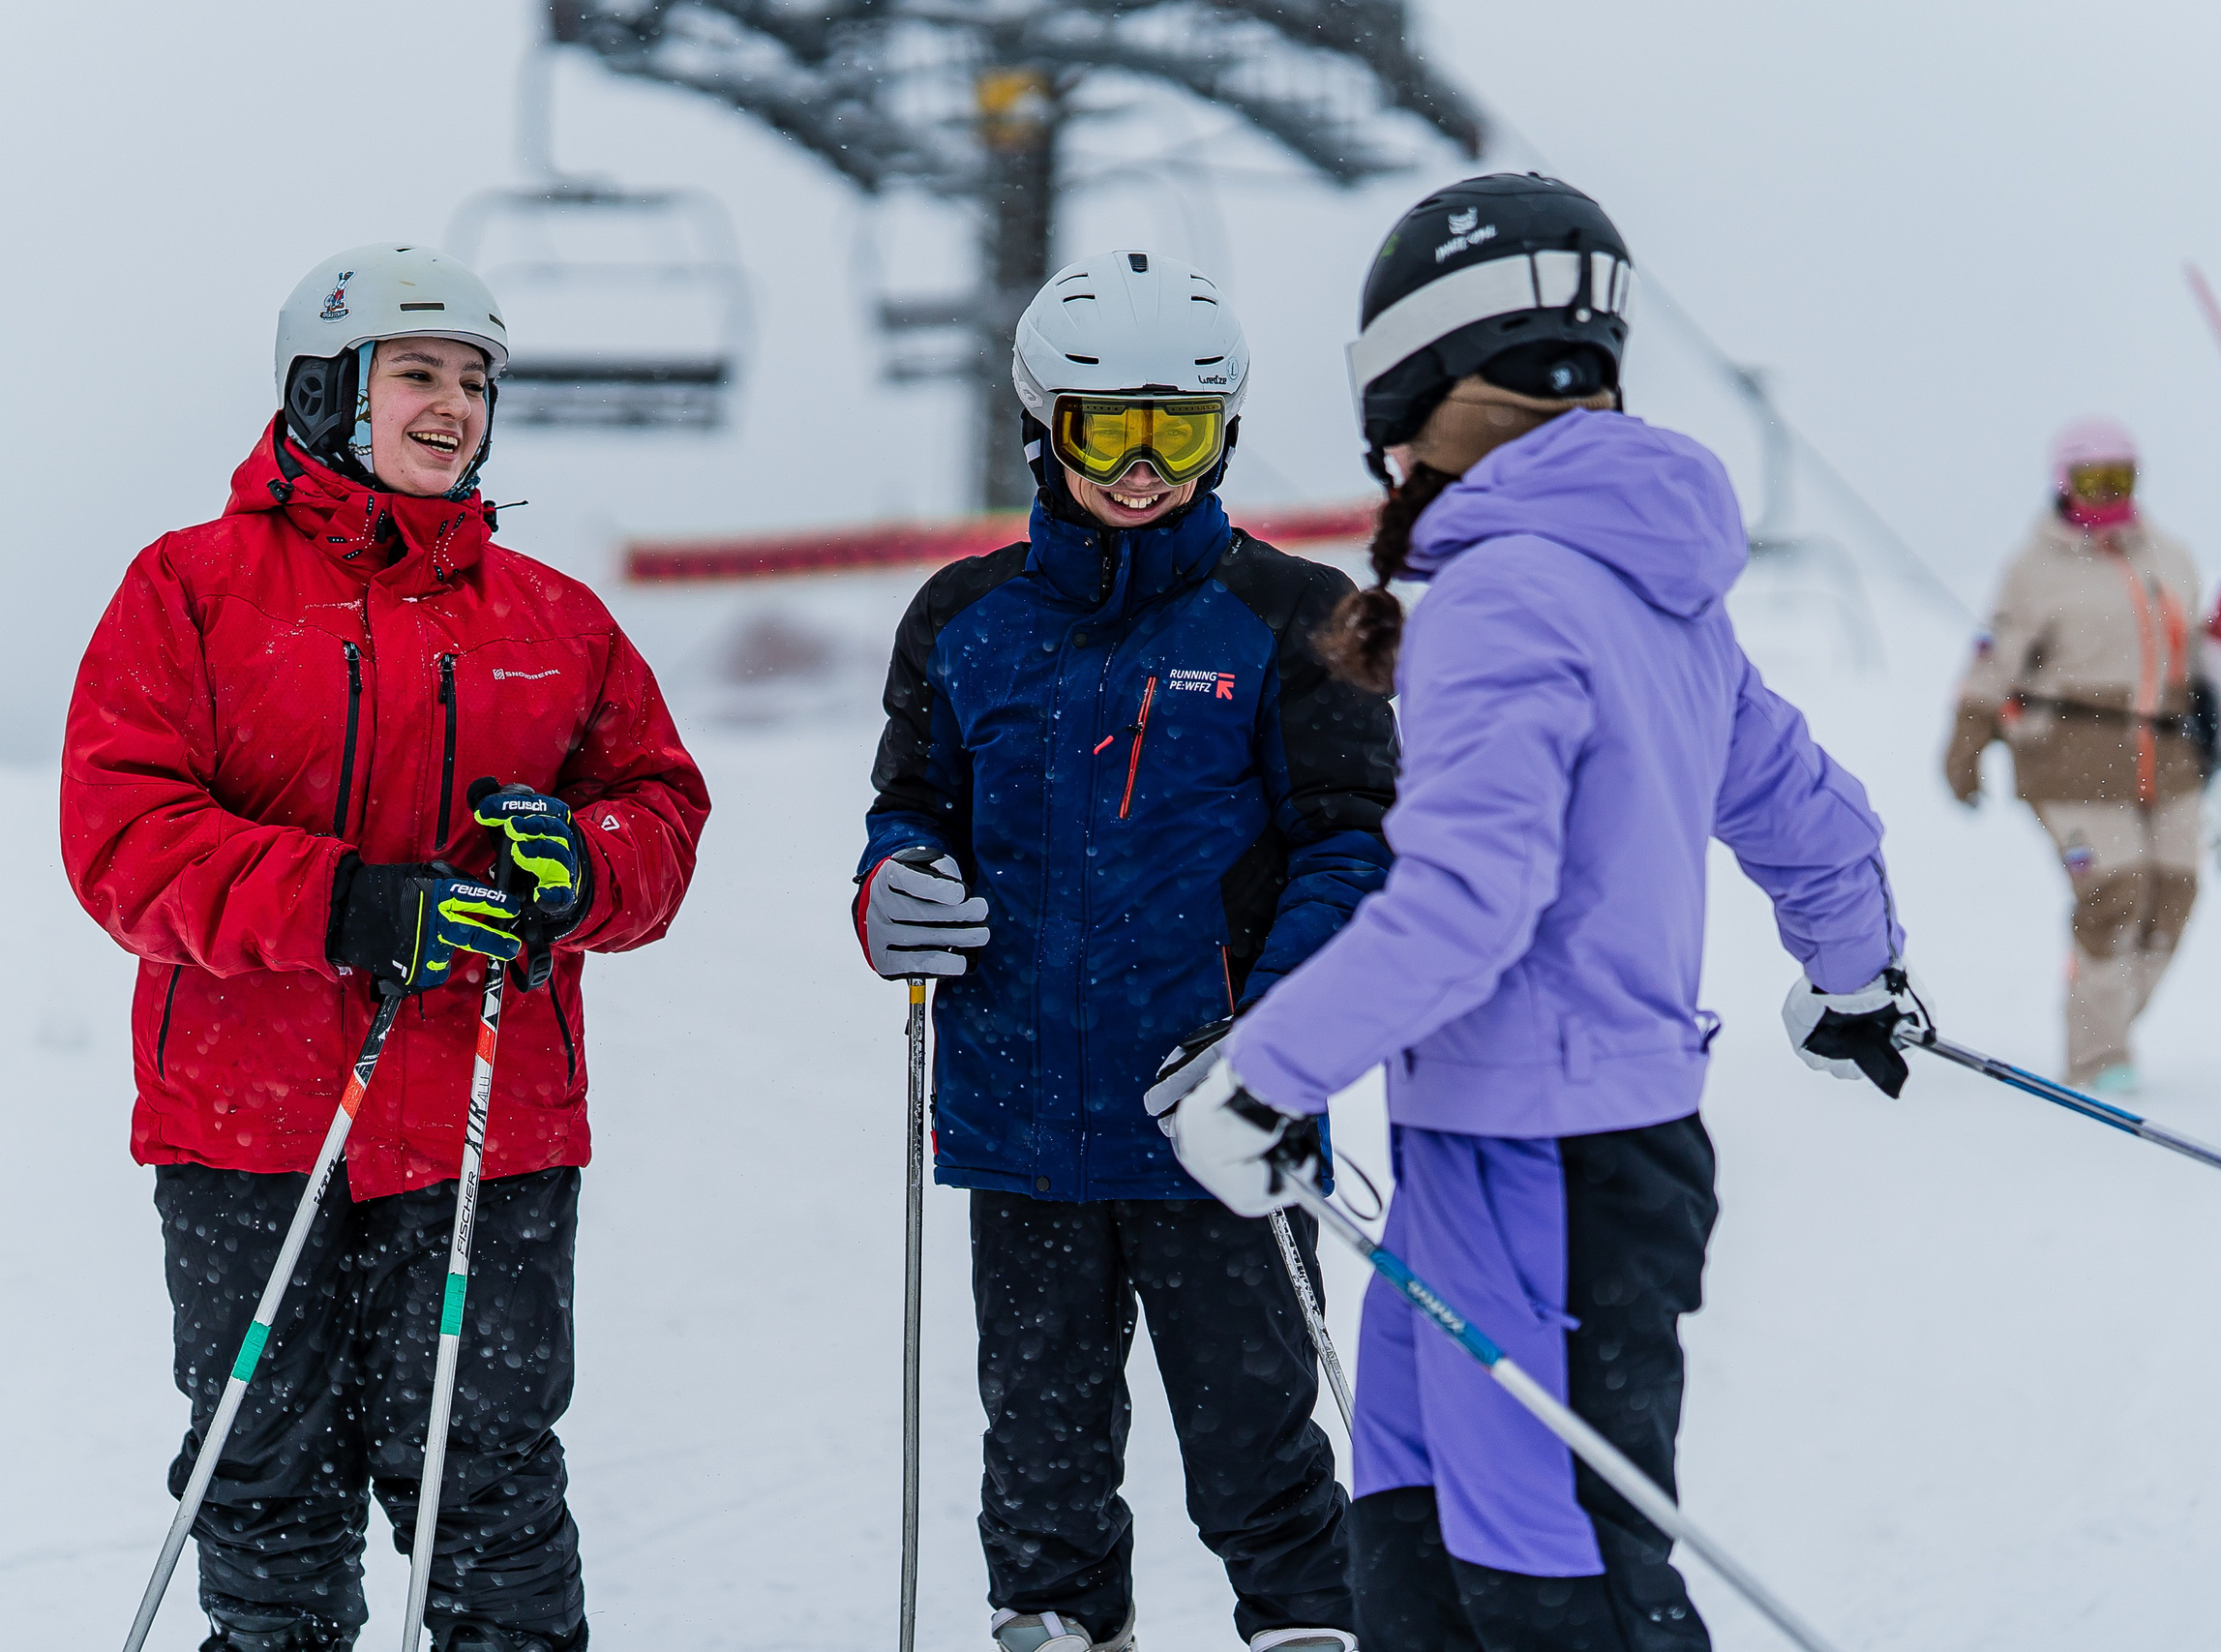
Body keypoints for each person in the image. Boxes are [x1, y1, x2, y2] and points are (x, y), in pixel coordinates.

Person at [1158, 174, 1931, 1652]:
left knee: (1553, 1585)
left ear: (1430, 381)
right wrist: (1855, 975)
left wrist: (1268, 1073)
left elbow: (1468, 901)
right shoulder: (1651, 595)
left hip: (1551, 1171)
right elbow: (1805, 811)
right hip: (1505, 1158)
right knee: (1414, 1544)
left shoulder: (1509, 594)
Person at [61, 243, 709, 1652]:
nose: (454, 406)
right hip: (248, 1125)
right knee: (266, 1469)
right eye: (418, 373)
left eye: (475, 381)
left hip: (490, 1124)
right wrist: (351, 902)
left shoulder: (555, 621)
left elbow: (660, 815)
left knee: (486, 1480)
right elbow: (124, 840)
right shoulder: (191, 590)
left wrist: (582, 864)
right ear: (324, 389)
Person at [855, 250, 1396, 1652]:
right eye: (1111, 428)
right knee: (1038, 1469)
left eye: (1183, 429)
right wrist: (891, 884)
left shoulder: (1296, 614)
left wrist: (1271, 1035)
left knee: (1260, 1457)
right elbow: (911, 807)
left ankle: (1307, 1630)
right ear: (1047, 425)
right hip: (1022, 1117)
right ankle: (1053, 1624)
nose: (1145, 466)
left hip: (1219, 1118)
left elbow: (1354, 844)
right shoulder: (963, 619)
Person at [1944, 417, 2203, 1092]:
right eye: (2094, 480)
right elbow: (1993, 657)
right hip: (2071, 760)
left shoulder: (2167, 554)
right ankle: (2097, 1060)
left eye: (2121, 478)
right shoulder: (2036, 568)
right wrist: (1969, 734)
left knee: (2174, 890)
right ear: (2064, 484)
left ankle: (2110, 1020)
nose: (2108, 493)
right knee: (2116, 891)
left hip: (2167, 754)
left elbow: (2198, 651)